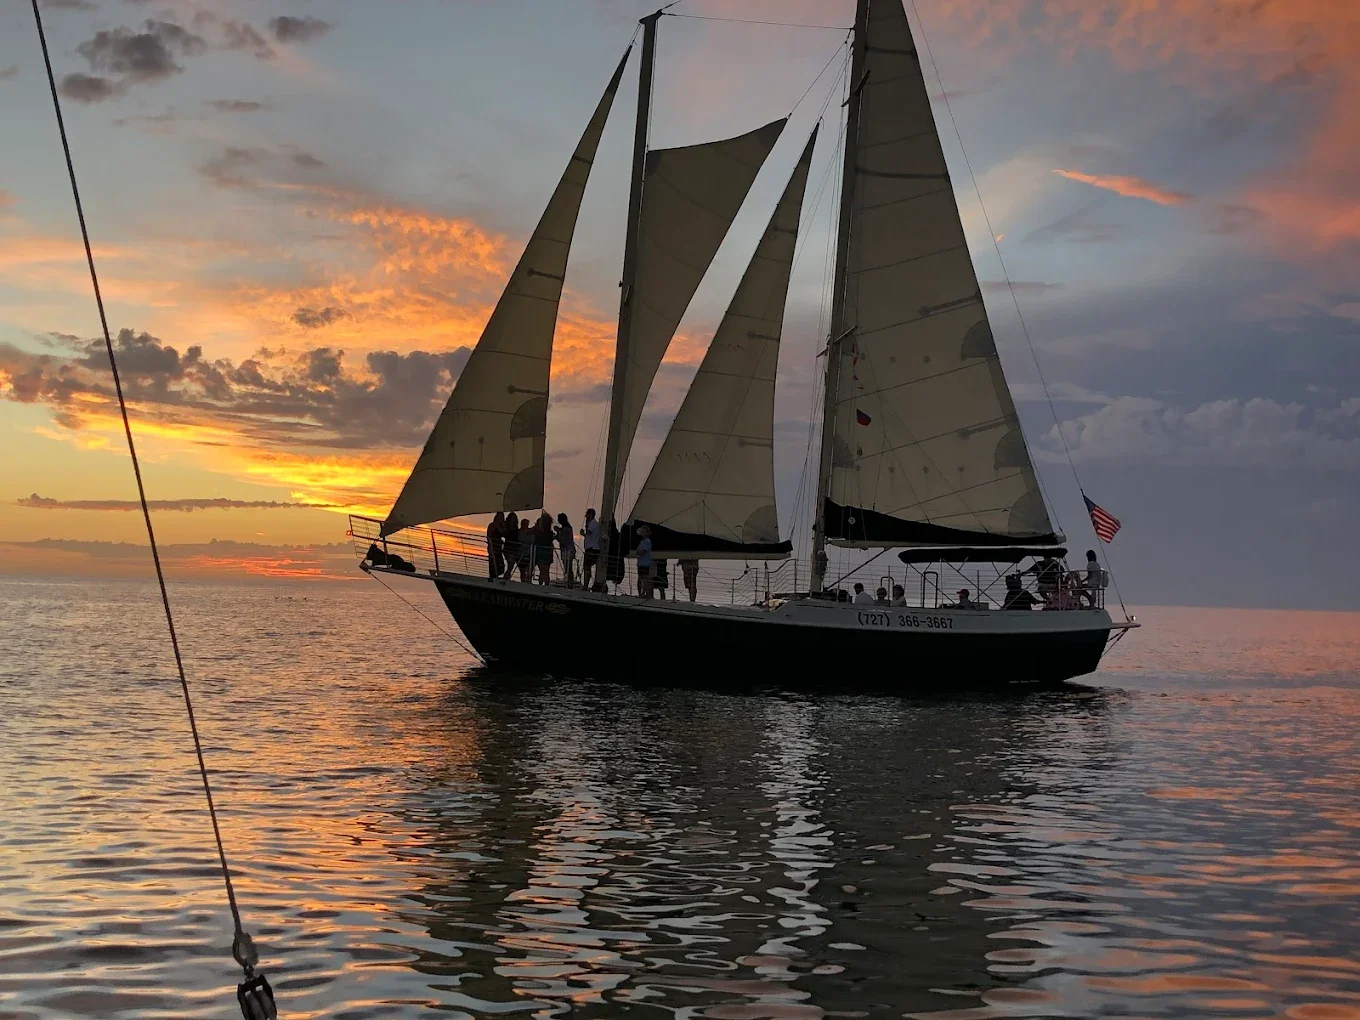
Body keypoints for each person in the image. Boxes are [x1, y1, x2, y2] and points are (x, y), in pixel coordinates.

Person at [581, 508, 601, 590]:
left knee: (587, 567)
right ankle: (586, 584)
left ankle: (586, 585)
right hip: (591, 547)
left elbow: (589, 533)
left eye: (587, 514)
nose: (585, 516)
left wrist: (583, 532)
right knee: (587, 567)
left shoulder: (593, 524)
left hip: (592, 548)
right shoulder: (592, 524)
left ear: (590, 515)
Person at [555, 513, 577, 588]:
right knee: (568, 567)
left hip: (567, 551)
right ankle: (570, 581)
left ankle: (570, 583)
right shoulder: (568, 527)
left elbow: (562, 540)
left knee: (568, 567)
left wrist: (556, 535)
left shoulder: (565, 529)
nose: (557, 520)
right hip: (570, 550)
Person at [535, 513, 555, 584]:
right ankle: (545, 585)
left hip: (542, 552)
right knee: (545, 571)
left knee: (543, 571)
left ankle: (542, 585)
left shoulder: (542, 531)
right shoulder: (550, 532)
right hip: (547, 553)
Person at [636, 525, 654, 598]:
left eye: (644, 532)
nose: (642, 533)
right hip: (641, 563)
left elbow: (642, 551)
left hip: (645, 564)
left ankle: (646, 593)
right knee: (640, 578)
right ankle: (641, 593)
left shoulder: (647, 541)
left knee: (644, 579)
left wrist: (638, 552)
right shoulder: (642, 541)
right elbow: (638, 551)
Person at [486, 511, 506, 580]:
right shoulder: (492, 525)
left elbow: (504, 533)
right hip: (493, 546)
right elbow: (489, 536)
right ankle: (492, 578)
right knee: (493, 563)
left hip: (499, 547)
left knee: (500, 564)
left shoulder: (501, 526)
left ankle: (496, 577)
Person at [503, 511, 520, 579]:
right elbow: (504, 534)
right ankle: (506, 577)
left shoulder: (516, 528)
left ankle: (507, 577)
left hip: (514, 549)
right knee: (510, 565)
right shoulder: (507, 527)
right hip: (508, 548)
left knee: (511, 565)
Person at [515, 518, 533, 582]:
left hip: (528, 553)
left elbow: (532, 541)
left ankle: (528, 582)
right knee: (522, 570)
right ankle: (523, 581)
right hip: (520, 553)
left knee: (529, 570)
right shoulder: (518, 532)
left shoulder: (530, 532)